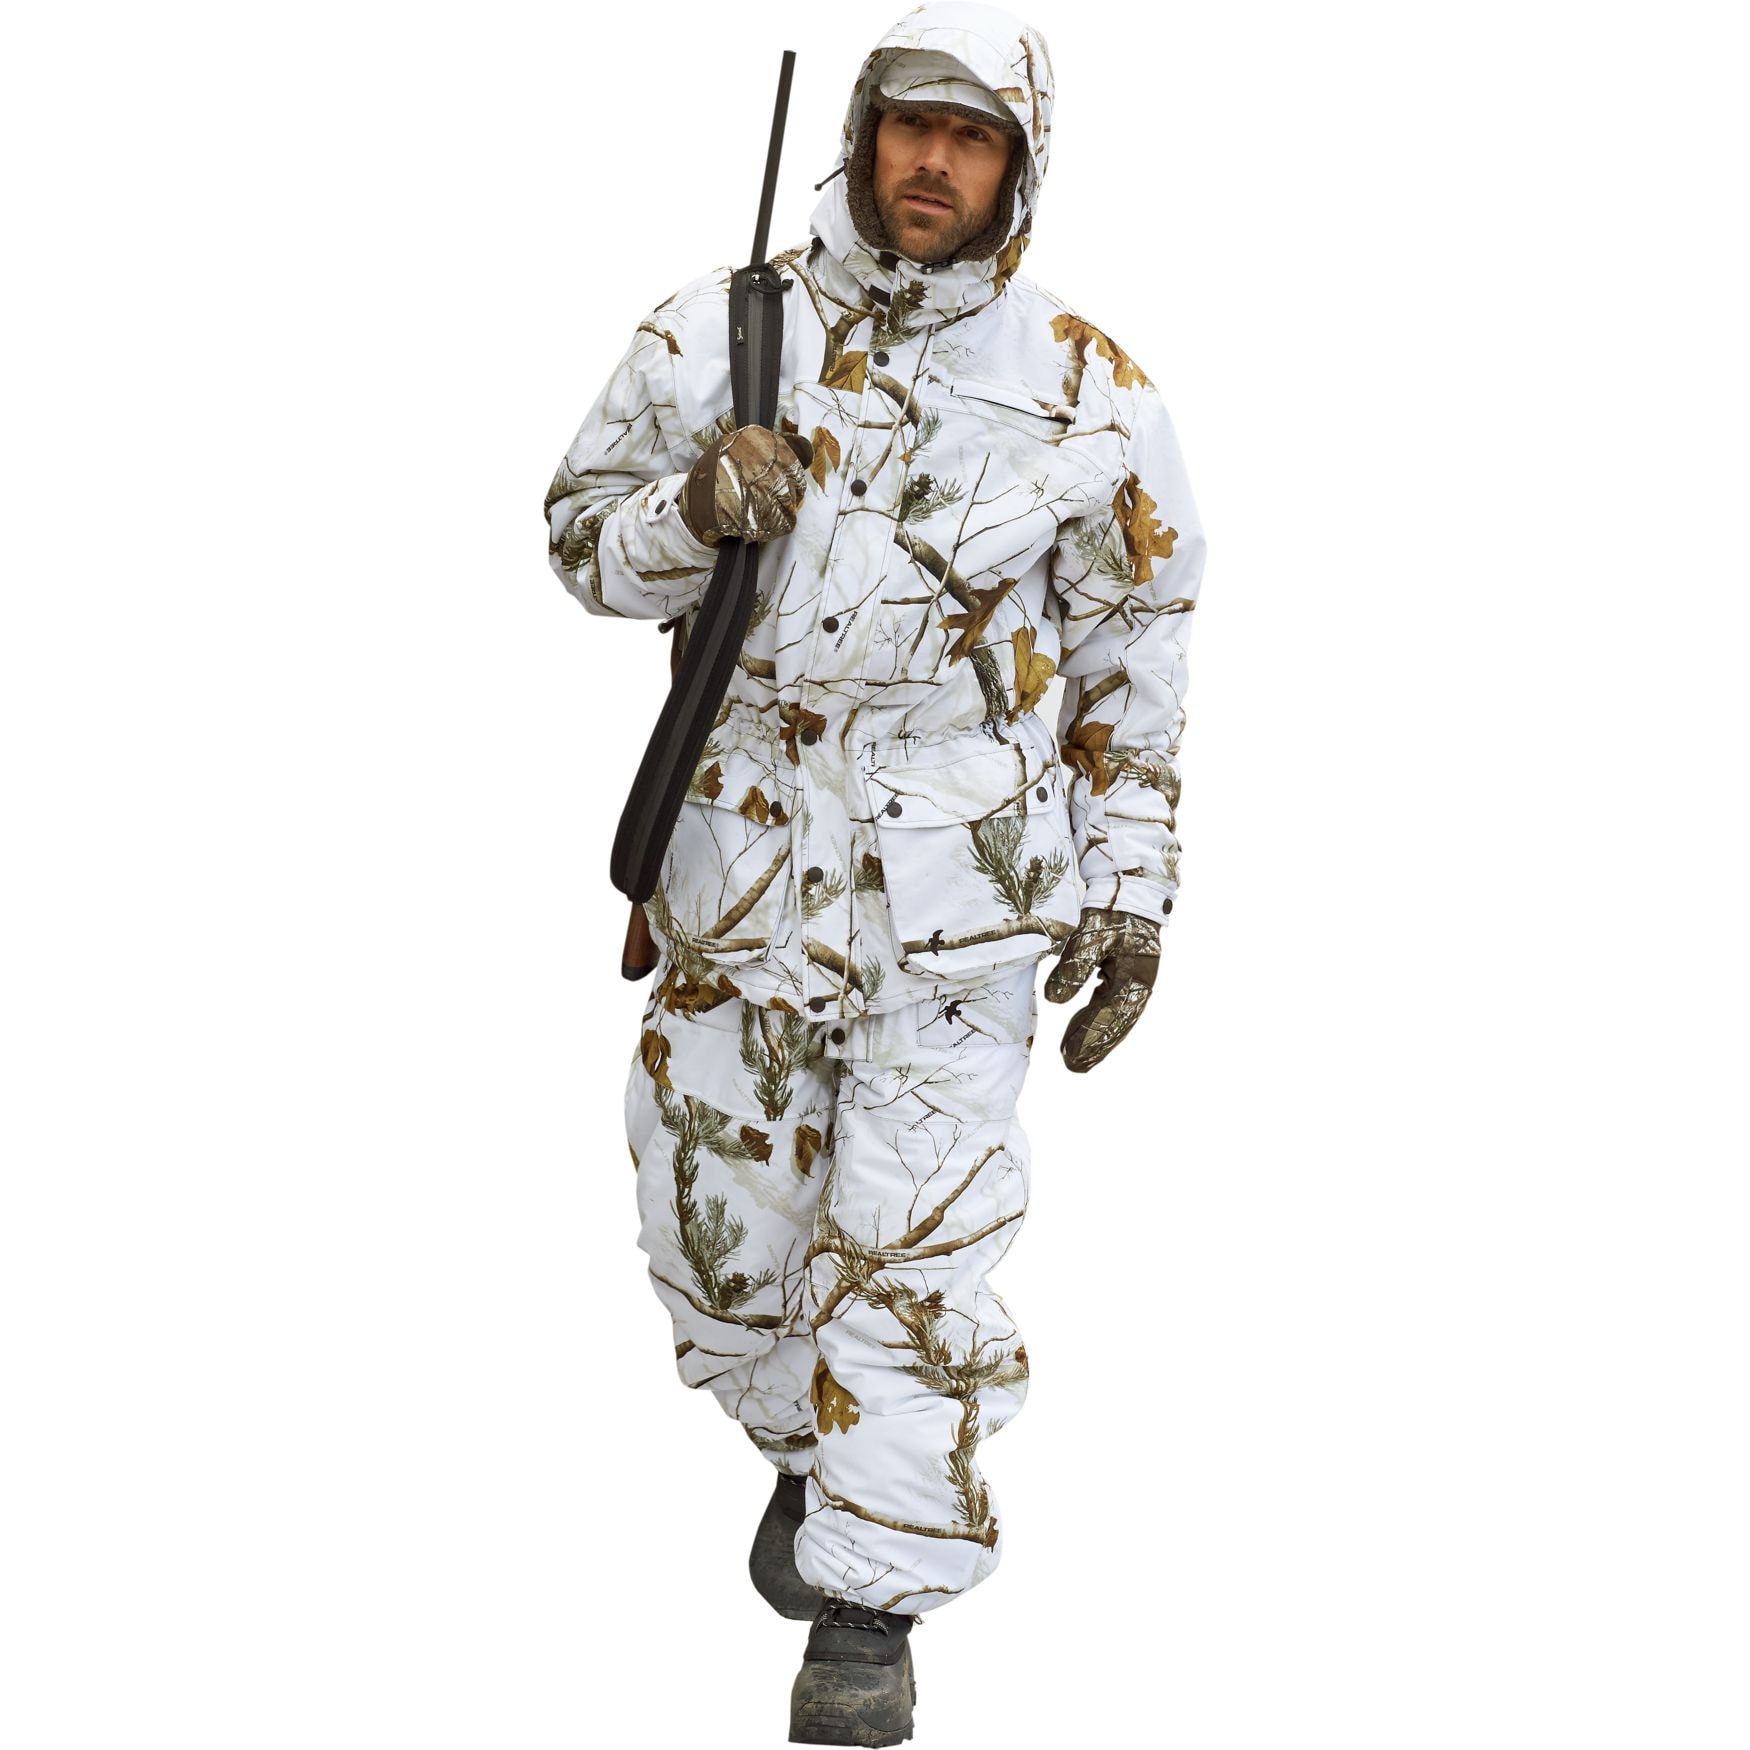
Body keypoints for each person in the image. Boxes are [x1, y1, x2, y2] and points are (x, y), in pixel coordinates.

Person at [541, 3, 1206, 1740]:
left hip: (956, 911)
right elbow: (578, 542)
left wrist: (1132, 893)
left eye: (972, 138)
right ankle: (815, 1444)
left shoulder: (1090, 391)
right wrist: (692, 507)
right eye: (911, 125)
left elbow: (1134, 656)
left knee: (914, 1263)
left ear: (1017, 170)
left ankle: (869, 1604)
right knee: (714, 1252)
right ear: (859, 133)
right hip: (737, 884)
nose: (932, 162)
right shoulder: (717, 329)